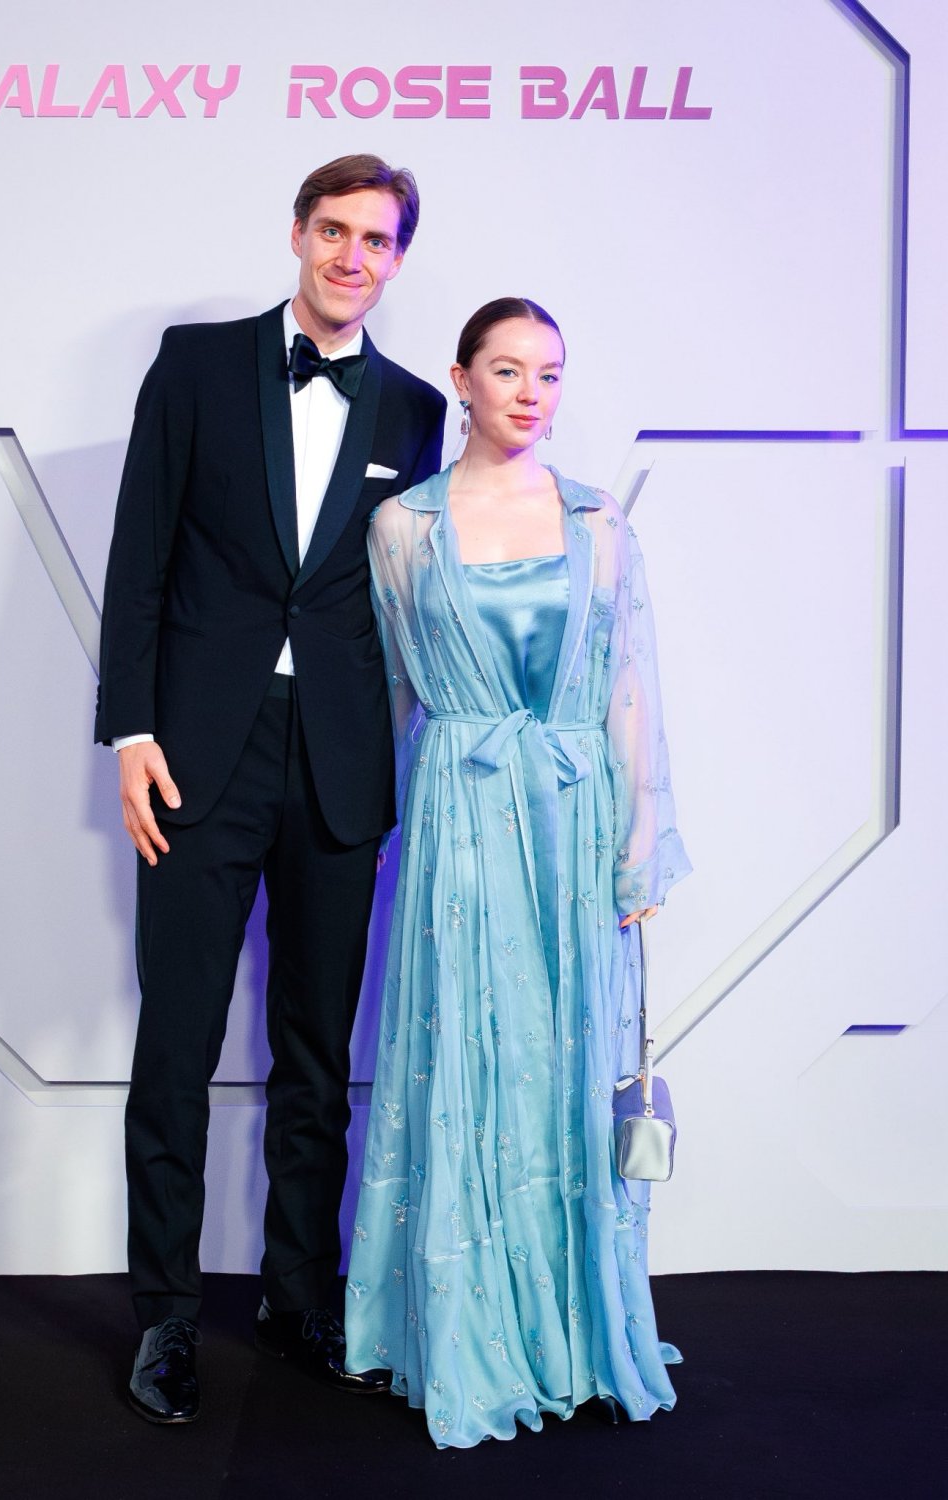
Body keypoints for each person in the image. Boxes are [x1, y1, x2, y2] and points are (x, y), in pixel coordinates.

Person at [94, 155, 446, 1425]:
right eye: (336, 231)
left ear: (398, 260)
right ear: (297, 234)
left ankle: (302, 1300)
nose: (355, 256)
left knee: (316, 1047)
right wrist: (129, 730)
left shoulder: (414, 410)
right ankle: (167, 1322)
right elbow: (140, 551)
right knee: (175, 1041)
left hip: (344, 755)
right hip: (197, 752)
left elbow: (413, 595)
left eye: (379, 240)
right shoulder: (194, 368)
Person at [344, 297, 690, 1447]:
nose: (531, 391)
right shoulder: (403, 528)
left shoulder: (601, 525)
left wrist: (640, 846)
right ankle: (465, 1326)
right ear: (461, 380)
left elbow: (631, 683)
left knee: (565, 1063)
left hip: (575, 816)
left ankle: (579, 1328)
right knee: (463, 1054)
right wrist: (382, 825)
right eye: (507, 369)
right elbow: (398, 688)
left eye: (549, 371)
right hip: (459, 815)